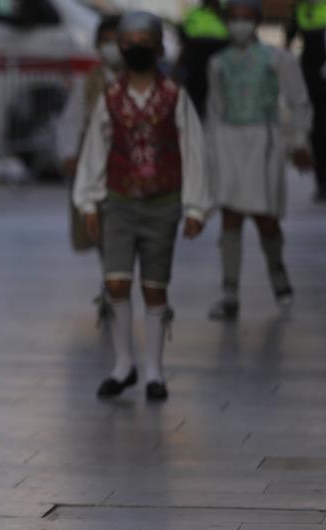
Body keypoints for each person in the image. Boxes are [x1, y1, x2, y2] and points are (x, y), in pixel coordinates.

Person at [74, 12, 213, 402]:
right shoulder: (111, 97)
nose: (136, 47)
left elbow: (193, 149)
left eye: (144, 40)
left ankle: (154, 370)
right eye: (129, 40)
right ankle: (123, 365)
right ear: (120, 46)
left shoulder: (174, 95)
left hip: (163, 204)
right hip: (118, 203)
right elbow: (96, 149)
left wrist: (196, 207)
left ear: (157, 46)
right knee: (116, 281)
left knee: (155, 288)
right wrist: (88, 201)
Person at [206, 0, 315, 321]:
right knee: (231, 214)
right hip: (229, 141)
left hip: (264, 143)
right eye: (234, 18)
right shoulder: (218, 63)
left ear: (256, 20)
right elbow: (215, 107)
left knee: (266, 216)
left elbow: (298, 101)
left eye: (246, 17)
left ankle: (277, 272)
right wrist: (210, 149)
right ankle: (229, 293)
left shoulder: (277, 59)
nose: (239, 24)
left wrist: (298, 140)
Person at [57, 15, 123, 322]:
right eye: (105, 40)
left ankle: (116, 281)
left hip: (130, 167)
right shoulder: (89, 81)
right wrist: (69, 153)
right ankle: (111, 283)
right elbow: (72, 119)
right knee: (102, 228)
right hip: (96, 166)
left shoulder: (141, 79)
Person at [287, 0, 326, 200]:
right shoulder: (300, 9)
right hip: (311, 78)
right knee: (318, 130)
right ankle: (322, 182)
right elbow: (288, 40)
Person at [179, 0, 230, 117]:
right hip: (197, 68)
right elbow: (185, 43)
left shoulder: (226, 13)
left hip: (221, 64)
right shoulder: (193, 13)